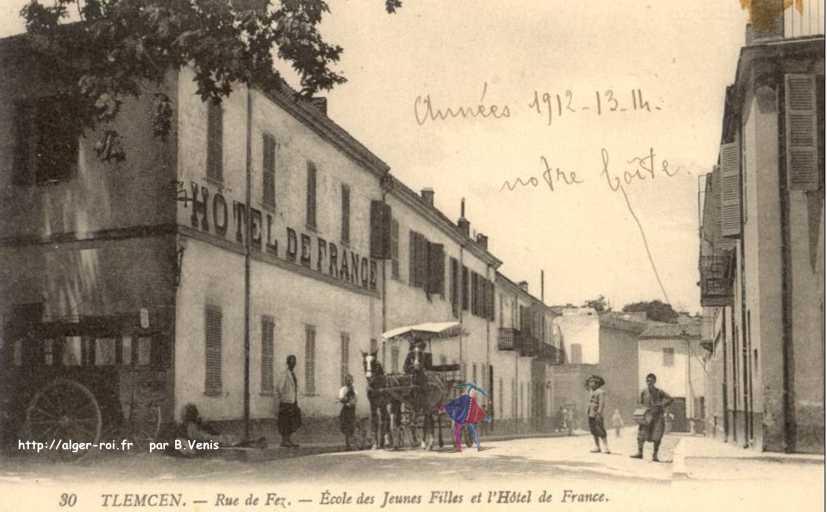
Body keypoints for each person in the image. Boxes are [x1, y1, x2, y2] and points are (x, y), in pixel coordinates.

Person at [630, 373, 673, 462]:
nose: (649, 382)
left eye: (651, 380)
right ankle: (640, 453)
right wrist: (641, 411)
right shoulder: (643, 392)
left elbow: (670, 399)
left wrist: (661, 404)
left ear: (654, 381)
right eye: (648, 380)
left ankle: (655, 455)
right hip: (647, 416)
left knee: (657, 436)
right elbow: (639, 402)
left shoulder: (659, 392)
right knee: (641, 434)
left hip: (657, 416)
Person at [275, 354, 301, 448]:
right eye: (291, 362)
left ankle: (288, 440)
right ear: (287, 363)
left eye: (294, 362)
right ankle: (284, 441)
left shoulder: (293, 374)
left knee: (293, 422)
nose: (293, 364)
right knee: (285, 422)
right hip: (286, 402)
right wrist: (283, 398)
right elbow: (279, 388)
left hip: (293, 401)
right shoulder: (285, 374)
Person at [586, 375, 610, 454]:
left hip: (597, 413)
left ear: (597, 383)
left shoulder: (601, 392)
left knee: (600, 429)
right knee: (593, 430)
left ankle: (605, 447)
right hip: (591, 413)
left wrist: (599, 413)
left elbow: (601, 403)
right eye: (590, 382)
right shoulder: (591, 392)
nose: (590, 384)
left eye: (592, 382)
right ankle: (597, 446)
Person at [338, 374, 358, 450]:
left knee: (351, 427)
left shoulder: (354, 390)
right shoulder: (343, 389)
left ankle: (350, 444)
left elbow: (355, 399)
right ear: (345, 381)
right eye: (347, 380)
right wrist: (345, 400)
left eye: (350, 380)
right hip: (345, 410)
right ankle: (348, 444)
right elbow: (341, 398)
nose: (349, 381)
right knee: (345, 427)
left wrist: (351, 402)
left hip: (352, 410)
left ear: (352, 381)